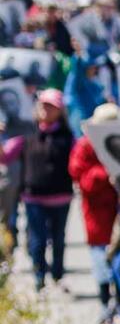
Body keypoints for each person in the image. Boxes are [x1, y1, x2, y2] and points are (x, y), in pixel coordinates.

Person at [4, 88, 74, 290]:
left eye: (50, 105)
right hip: (33, 198)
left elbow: (79, 161)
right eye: (43, 104)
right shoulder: (28, 133)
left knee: (58, 238)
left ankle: (58, 274)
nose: (45, 109)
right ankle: (39, 276)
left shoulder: (68, 137)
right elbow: (6, 156)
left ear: (60, 110)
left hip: (61, 197)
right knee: (37, 240)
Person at [69, 105, 120, 324]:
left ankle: (117, 304)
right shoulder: (85, 146)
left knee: (119, 260)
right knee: (101, 259)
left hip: (119, 214)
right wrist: (106, 174)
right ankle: (104, 304)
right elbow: (80, 176)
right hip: (97, 213)